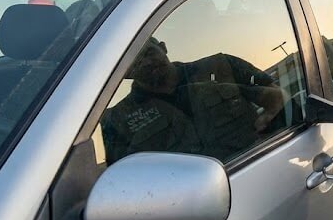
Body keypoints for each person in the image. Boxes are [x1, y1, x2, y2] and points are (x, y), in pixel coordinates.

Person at [101, 38, 286, 164]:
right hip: (187, 205)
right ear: (125, 73)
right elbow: (125, 183)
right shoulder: (117, 120)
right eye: (136, 62)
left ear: (163, 47)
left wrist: (269, 117)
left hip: (260, 169)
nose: (147, 63)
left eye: (149, 52)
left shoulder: (222, 66)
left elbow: (280, 97)